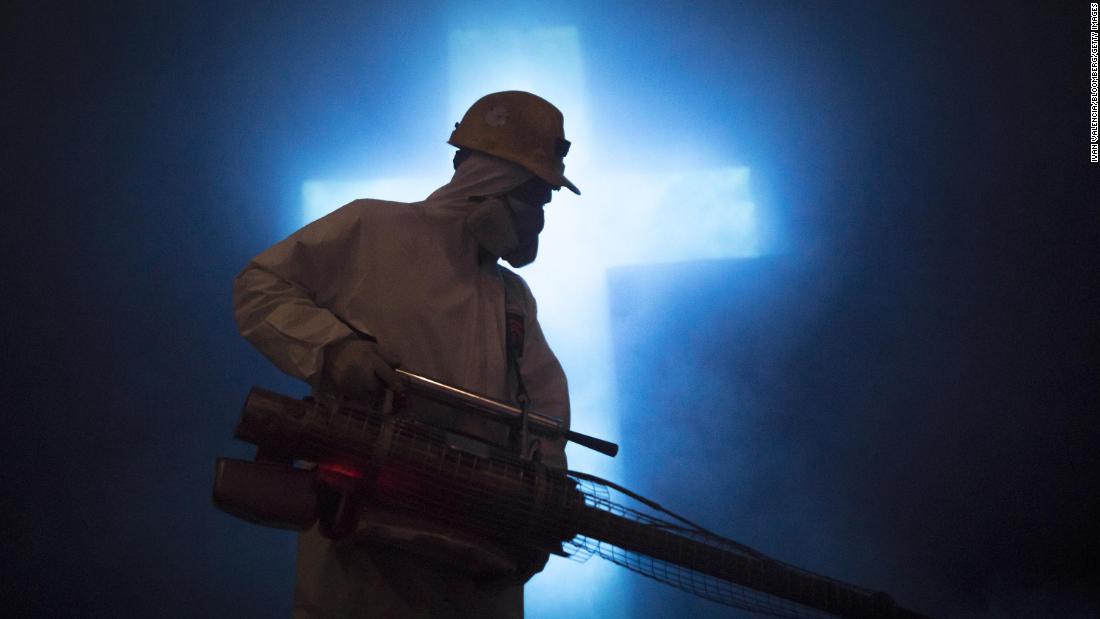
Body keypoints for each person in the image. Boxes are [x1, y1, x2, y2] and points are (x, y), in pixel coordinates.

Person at [232, 91, 580, 618]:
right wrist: (334, 348)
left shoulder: (512, 299)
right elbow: (260, 287)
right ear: (492, 183)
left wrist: (540, 503)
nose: (539, 218)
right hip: (364, 551)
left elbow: (546, 419)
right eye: (536, 197)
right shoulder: (372, 230)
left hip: (476, 562)